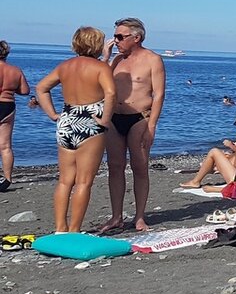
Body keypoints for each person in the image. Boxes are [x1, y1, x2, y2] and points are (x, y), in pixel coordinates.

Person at [35, 28, 115, 233]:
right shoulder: (100, 68)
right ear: (97, 44)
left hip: (67, 120)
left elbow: (41, 88)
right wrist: (105, 120)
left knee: (64, 181)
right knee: (84, 181)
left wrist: (53, 114)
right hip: (90, 122)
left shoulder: (65, 67)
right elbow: (110, 93)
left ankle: (60, 227)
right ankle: (74, 230)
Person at [100, 18, 165, 234]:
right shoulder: (117, 59)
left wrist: (152, 125)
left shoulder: (152, 59)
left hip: (140, 117)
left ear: (136, 38)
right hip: (114, 118)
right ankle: (116, 216)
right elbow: (100, 83)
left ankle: (139, 217)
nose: (115, 40)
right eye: (115, 36)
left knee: (139, 167)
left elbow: (158, 94)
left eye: (120, 37)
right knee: (115, 167)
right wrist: (106, 58)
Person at [0, 41, 31, 192]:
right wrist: (9, 88)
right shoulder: (15, 70)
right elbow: (25, 91)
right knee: (5, 146)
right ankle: (7, 179)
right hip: (7, 105)